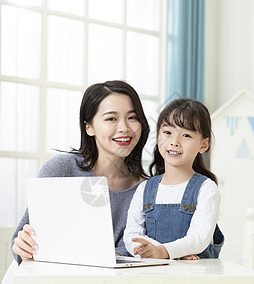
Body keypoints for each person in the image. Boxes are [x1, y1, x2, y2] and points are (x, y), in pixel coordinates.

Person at [11, 80, 150, 264]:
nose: (124, 128)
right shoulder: (61, 169)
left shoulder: (148, 188)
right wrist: (23, 246)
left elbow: (143, 249)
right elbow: (22, 245)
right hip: (56, 283)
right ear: (89, 127)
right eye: (111, 118)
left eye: (132, 117)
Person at [124, 98, 224, 260]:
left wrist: (164, 252)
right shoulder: (145, 188)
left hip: (196, 277)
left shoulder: (206, 188)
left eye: (186, 135)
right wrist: (155, 252)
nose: (174, 142)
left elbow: (199, 238)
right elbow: (131, 234)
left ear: (203, 145)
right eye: (168, 132)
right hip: (153, 273)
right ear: (157, 138)